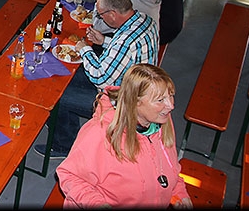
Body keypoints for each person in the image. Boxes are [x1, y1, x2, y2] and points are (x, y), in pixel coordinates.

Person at [35, 0, 159, 158]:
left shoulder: (125, 41)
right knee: (63, 76)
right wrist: (104, 41)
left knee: (55, 94)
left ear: (113, 14)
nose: (100, 18)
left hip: (123, 104)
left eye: (101, 15)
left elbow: (100, 78)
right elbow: (125, 54)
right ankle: (61, 122)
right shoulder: (144, 20)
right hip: (134, 85)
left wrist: (85, 49)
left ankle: (63, 144)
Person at [57, 64, 192, 208]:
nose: (171, 105)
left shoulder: (162, 122)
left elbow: (168, 169)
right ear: (135, 102)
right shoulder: (100, 134)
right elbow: (70, 175)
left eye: (170, 96)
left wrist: (179, 194)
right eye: (160, 100)